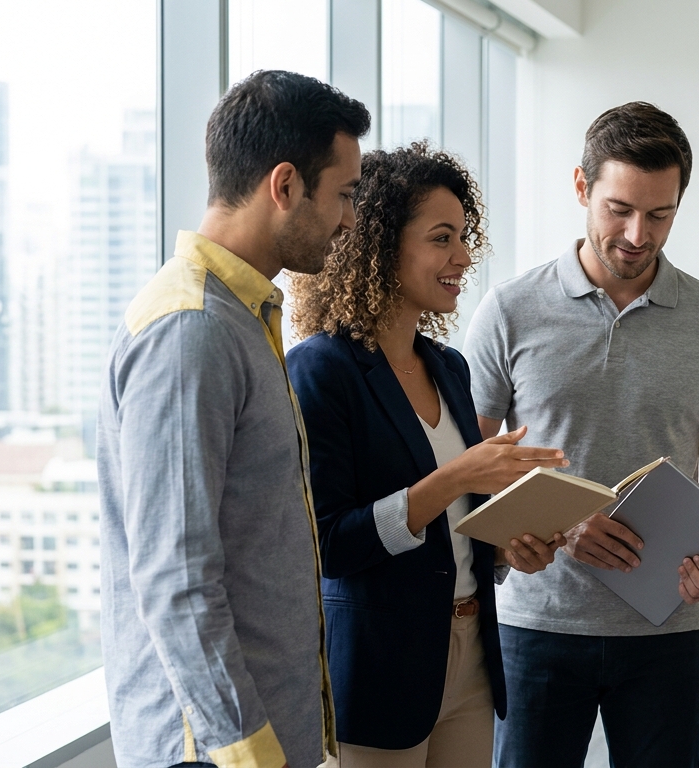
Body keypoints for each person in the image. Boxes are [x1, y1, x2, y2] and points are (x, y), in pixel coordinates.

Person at [464, 102, 699, 768]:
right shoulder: (509, 311)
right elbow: (469, 466)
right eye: (618, 209)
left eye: (660, 214)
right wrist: (564, 523)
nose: (636, 233)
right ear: (581, 188)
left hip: (667, 629)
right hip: (536, 626)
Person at [97, 70, 370, 767]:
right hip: (214, 750)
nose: (349, 219)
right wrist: (249, 755)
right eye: (342, 195)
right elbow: (176, 577)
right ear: (284, 186)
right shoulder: (192, 330)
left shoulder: (241, 317)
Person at [286, 143, 568, 768]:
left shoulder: (448, 367)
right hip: (381, 665)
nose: (464, 258)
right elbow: (330, 543)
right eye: (442, 238)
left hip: (470, 649)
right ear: (380, 244)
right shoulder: (321, 371)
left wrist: (506, 547)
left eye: (463, 238)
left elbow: (454, 533)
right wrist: (457, 476)